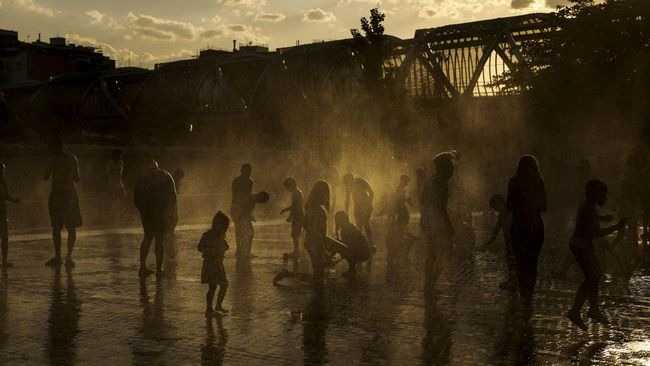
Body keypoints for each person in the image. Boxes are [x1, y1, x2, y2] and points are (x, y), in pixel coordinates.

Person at [566, 180, 627, 330]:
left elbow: (591, 220)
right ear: (594, 194)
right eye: (603, 194)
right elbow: (596, 233)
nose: (604, 197)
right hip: (581, 245)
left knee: (594, 276)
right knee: (593, 276)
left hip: (581, 245)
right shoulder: (588, 208)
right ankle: (584, 310)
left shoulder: (588, 207)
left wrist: (603, 219)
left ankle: (587, 309)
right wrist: (616, 227)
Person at [507, 155, 547, 307]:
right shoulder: (538, 182)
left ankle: (525, 294)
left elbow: (509, 205)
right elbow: (544, 206)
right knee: (532, 262)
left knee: (521, 262)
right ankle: (528, 294)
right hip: (535, 225)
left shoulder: (514, 182)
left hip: (518, 225)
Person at [420, 152, 455, 303]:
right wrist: (449, 225)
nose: (453, 170)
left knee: (432, 255)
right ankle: (430, 285)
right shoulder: (441, 183)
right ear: (444, 168)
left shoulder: (431, 181)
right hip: (437, 222)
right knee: (444, 253)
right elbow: (441, 207)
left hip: (428, 220)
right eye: (451, 167)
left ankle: (429, 285)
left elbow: (422, 201)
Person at [134, 158, 177, 277]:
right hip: (159, 214)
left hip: (149, 214)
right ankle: (158, 269)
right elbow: (173, 197)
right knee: (158, 241)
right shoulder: (165, 176)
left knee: (148, 239)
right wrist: (171, 213)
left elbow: (136, 198)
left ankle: (144, 267)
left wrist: (142, 210)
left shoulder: (143, 178)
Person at [44, 137, 82, 268]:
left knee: (56, 227)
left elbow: (45, 176)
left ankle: (58, 256)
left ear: (54, 148)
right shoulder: (73, 158)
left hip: (57, 195)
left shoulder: (53, 159)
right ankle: (69, 257)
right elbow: (77, 178)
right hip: (70, 194)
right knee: (71, 227)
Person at [198, 211, 230, 317]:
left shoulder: (219, 235)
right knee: (213, 287)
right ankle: (210, 309)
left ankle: (216, 306)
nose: (223, 228)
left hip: (218, 264)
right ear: (216, 224)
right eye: (222, 225)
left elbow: (225, 246)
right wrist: (211, 250)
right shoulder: (208, 235)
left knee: (222, 285)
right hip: (211, 265)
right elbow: (200, 247)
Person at [484, 194, 516, 291]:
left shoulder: (511, 212)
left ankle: (514, 283)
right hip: (509, 242)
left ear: (500, 203)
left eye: (495, 207)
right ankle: (512, 281)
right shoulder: (503, 214)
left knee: (513, 262)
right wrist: (488, 243)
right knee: (511, 262)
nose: (496, 210)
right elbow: (496, 230)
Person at [386, 175, 414, 282]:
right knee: (401, 233)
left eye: (406, 182)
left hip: (402, 214)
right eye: (406, 181)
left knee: (400, 233)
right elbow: (400, 202)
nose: (406, 183)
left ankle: (400, 254)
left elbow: (398, 202)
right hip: (402, 214)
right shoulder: (400, 189)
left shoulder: (401, 189)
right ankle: (402, 253)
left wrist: (392, 215)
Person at [304, 181, 330, 289]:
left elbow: (306, 225)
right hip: (315, 243)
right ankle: (318, 300)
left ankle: (317, 297)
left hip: (310, 242)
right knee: (319, 272)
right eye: (326, 194)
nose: (328, 196)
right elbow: (317, 231)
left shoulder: (310, 208)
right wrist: (324, 248)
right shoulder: (318, 211)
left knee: (317, 270)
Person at [333, 211, 371, 279]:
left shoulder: (346, 230)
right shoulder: (349, 227)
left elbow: (349, 246)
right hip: (363, 252)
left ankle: (352, 270)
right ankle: (351, 270)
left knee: (344, 249)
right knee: (343, 248)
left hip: (361, 253)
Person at [231, 164, 255, 260]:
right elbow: (244, 196)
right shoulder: (248, 181)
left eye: (249, 171)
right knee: (248, 232)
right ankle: (244, 252)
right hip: (240, 208)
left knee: (241, 231)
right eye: (247, 171)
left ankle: (241, 251)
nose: (249, 173)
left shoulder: (245, 181)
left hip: (238, 207)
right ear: (242, 171)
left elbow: (243, 196)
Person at [344, 174, 374, 242]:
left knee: (366, 223)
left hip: (366, 205)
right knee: (359, 225)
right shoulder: (349, 186)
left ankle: (370, 242)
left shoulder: (360, 181)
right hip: (357, 206)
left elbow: (371, 192)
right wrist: (346, 212)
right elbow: (347, 200)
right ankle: (361, 242)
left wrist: (369, 204)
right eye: (346, 183)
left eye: (347, 182)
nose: (347, 185)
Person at [0, 163, 19, 268]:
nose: (3, 173)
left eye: (3, 171)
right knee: (4, 237)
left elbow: (6, 196)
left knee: (5, 237)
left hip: (3, 212)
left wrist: (14, 200)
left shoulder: (3, 183)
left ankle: (4, 261)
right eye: (2, 171)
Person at [280, 178, 304, 259]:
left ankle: (296, 252)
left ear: (291, 185)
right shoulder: (297, 192)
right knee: (295, 234)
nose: (287, 190)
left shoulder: (296, 193)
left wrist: (288, 213)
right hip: (299, 216)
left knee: (295, 234)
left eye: (287, 187)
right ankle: (297, 251)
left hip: (298, 216)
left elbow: (295, 206)